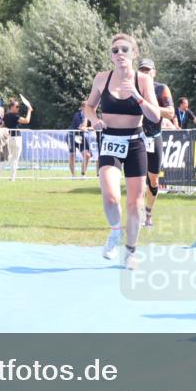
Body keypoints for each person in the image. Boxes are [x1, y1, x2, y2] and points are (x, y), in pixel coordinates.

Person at [83, 33, 161, 268]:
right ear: (111, 56)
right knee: (111, 197)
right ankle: (115, 232)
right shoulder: (101, 78)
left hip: (135, 142)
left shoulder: (143, 80)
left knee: (135, 204)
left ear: (133, 53)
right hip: (110, 140)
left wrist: (137, 96)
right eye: (115, 50)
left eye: (124, 49)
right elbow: (89, 106)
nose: (119, 54)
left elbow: (155, 116)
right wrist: (93, 120)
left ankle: (131, 251)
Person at [137, 59, 175, 228]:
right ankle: (137, 213)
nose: (145, 73)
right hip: (136, 137)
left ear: (154, 72)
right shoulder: (134, 88)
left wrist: (149, 106)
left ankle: (148, 213)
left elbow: (170, 113)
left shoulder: (161, 89)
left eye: (148, 70)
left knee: (153, 180)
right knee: (137, 179)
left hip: (154, 136)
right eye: (142, 70)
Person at [1, 96, 32, 182]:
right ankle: (12, 178)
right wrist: (29, 110)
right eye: (17, 106)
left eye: (18, 106)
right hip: (16, 139)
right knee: (14, 159)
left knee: (6, 158)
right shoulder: (14, 116)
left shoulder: (6, 115)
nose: (18, 108)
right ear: (11, 107)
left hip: (8, 138)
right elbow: (27, 121)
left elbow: (2, 126)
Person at [68, 101, 93, 177]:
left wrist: (88, 128)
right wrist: (86, 118)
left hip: (80, 136)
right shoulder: (77, 115)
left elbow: (93, 126)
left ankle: (83, 174)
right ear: (82, 107)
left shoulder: (90, 116)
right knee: (72, 154)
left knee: (87, 155)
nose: (88, 109)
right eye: (86, 107)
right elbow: (82, 127)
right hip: (72, 135)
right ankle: (73, 175)